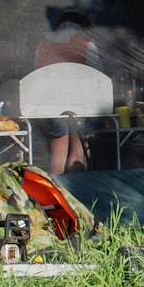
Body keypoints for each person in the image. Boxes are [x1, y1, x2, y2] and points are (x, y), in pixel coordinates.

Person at [37, 10, 97, 174]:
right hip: (80, 102)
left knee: (57, 154)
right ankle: (77, 191)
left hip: (51, 103)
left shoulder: (44, 43)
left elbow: (36, 73)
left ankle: (55, 191)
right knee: (79, 149)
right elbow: (98, 75)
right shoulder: (86, 43)